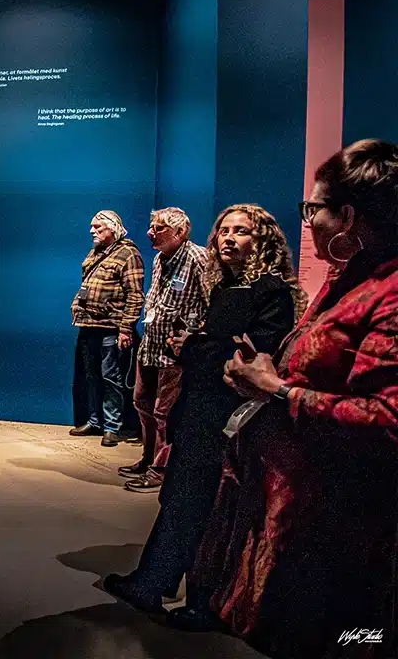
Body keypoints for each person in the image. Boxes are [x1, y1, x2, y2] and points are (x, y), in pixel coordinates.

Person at [182, 140, 398, 657]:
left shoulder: (389, 291)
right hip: (305, 502)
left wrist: (279, 390)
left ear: (347, 215)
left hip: (348, 513)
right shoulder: (350, 276)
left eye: (313, 209)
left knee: (348, 636)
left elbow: (389, 417)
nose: (308, 221)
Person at [104, 204, 300, 616]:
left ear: (261, 239)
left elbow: (251, 357)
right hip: (202, 411)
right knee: (184, 501)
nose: (229, 238)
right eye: (224, 230)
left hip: (230, 419)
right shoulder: (223, 286)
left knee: (210, 508)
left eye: (241, 231)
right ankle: (156, 584)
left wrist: (194, 346)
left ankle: (197, 599)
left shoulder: (270, 291)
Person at [121, 208, 209, 493]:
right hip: (151, 345)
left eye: (158, 228)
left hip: (174, 352)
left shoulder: (198, 258)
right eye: (151, 226)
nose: (150, 233)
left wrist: (193, 337)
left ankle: (161, 469)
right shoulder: (160, 258)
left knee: (165, 413)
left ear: (180, 232)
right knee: (141, 402)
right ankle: (147, 458)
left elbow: (211, 302)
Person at [71, 211, 145, 445]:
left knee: (111, 377)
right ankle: (95, 420)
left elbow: (135, 295)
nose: (92, 231)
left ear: (112, 228)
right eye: (92, 227)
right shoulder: (96, 252)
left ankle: (112, 426)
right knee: (91, 375)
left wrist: (126, 328)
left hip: (110, 328)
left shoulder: (128, 254)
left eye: (98, 227)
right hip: (88, 325)